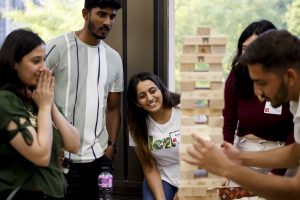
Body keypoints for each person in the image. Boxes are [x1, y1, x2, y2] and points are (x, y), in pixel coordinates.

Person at [184, 30, 300, 200]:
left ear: (290, 76)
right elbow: (296, 152)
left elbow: (295, 190)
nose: (257, 93)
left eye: (261, 83)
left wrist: (227, 168)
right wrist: (240, 158)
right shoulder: (294, 97)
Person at [45, 0, 123, 199]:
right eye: (101, 14)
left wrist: (111, 148)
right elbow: (33, 94)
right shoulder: (57, 47)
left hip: (100, 159)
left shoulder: (114, 58)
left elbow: (113, 109)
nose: (107, 22)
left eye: (112, 16)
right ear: (85, 14)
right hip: (62, 159)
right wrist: (51, 144)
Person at [0, 29, 80, 200]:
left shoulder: (37, 97)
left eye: (43, 60)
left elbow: (74, 144)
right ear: (14, 63)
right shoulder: (5, 100)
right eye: (36, 61)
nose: (43, 67)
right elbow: (41, 156)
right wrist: (44, 107)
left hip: (54, 192)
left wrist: (50, 105)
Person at [223, 19, 294, 178]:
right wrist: (227, 162)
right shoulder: (237, 75)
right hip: (245, 150)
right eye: (245, 49)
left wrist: (276, 173)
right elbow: (228, 123)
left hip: (282, 154)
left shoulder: (290, 82)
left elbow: (296, 136)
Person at [127, 72, 181, 200]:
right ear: (137, 103)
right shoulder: (137, 127)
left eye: (153, 91)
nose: (150, 98)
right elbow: (149, 166)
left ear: (161, 90)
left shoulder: (183, 109)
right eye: (142, 96)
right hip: (164, 176)